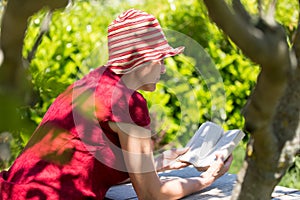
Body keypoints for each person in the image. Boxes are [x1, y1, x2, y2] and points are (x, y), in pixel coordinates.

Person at [0, 9, 232, 199]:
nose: (163, 67)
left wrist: (165, 162)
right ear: (142, 59)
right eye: (160, 58)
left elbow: (89, 165)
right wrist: (208, 178)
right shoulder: (127, 102)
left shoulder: (88, 84)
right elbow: (152, 194)